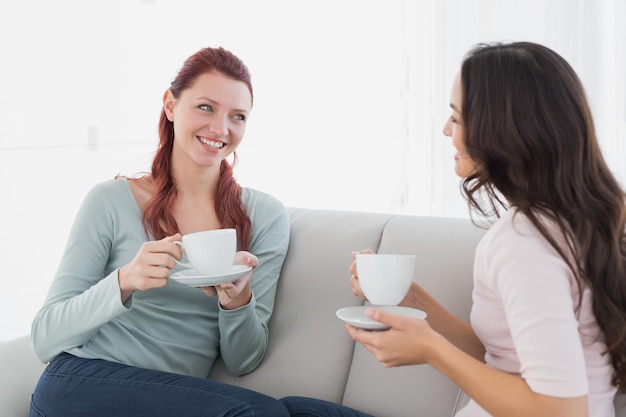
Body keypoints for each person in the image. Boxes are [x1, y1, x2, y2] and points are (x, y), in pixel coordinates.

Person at [280, 41, 626, 416]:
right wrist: (410, 299)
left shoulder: (524, 240)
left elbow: (563, 410)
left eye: (457, 117)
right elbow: (509, 359)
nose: (446, 130)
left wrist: (431, 349)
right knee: (298, 408)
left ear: (502, 129)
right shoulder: (582, 221)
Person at [29, 46, 291, 417]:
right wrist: (124, 281)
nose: (221, 128)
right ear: (170, 105)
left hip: (175, 397)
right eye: (206, 107)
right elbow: (44, 339)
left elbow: (243, 360)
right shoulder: (110, 201)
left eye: (238, 116)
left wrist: (236, 299)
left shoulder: (264, 216)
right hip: (79, 384)